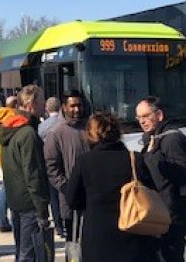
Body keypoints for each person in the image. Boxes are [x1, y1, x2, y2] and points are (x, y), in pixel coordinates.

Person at [64, 111, 159, 262]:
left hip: (97, 237)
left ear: (91, 134)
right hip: (133, 232)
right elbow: (152, 192)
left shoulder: (85, 161)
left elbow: (72, 199)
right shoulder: (134, 159)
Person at [136, 97, 186, 262]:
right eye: (139, 117)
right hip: (158, 213)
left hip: (171, 216)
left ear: (160, 115)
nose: (142, 121)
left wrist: (152, 157)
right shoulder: (152, 138)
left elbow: (180, 173)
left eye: (146, 116)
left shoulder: (171, 138)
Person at [0, 84, 50, 262]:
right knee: (29, 255)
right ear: (31, 104)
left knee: (22, 251)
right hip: (29, 203)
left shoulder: (10, 128)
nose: (45, 105)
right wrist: (42, 209)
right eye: (42, 100)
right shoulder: (28, 133)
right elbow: (33, 174)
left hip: (15, 199)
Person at [43, 90, 90, 240]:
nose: (77, 109)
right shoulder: (56, 133)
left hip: (92, 198)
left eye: (80, 105)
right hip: (70, 200)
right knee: (74, 245)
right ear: (64, 107)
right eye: (73, 106)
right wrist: (67, 187)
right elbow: (51, 166)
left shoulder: (90, 128)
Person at [0, 95, 18, 233]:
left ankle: (3, 219)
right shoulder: (13, 118)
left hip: (0, 157)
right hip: (10, 158)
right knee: (8, 190)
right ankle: (5, 220)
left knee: (5, 188)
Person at [37, 96, 63, 235]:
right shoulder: (64, 124)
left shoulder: (42, 126)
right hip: (64, 163)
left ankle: (58, 225)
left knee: (53, 196)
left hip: (49, 164)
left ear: (47, 108)